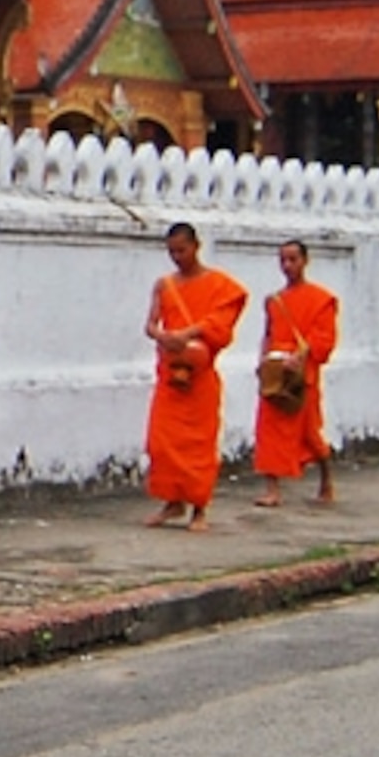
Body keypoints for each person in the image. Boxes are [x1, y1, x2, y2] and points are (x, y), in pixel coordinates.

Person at [143, 222, 247, 530]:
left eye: (182, 250)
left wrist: (188, 333)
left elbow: (221, 323)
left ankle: (199, 509)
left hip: (200, 378)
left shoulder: (218, 284)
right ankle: (172, 503)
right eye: (171, 251)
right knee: (161, 442)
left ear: (196, 246)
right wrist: (163, 336)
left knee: (199, 445)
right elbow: (149, 324)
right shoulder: (164, 285)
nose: (177, 257)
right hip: (170, 376)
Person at [253, 239, 339, 508]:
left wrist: (299, 357)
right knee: (268, 429)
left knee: (309, 433)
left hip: (302, 373)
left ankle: (326, 478)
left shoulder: (321, 299)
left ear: (305, 261)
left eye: (293, 260)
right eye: (283, 260)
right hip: (276, 371)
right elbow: (268, 335)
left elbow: (323, 338)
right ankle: (272, 489)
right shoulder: (275, 300)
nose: (288, 266)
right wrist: (263, 362)